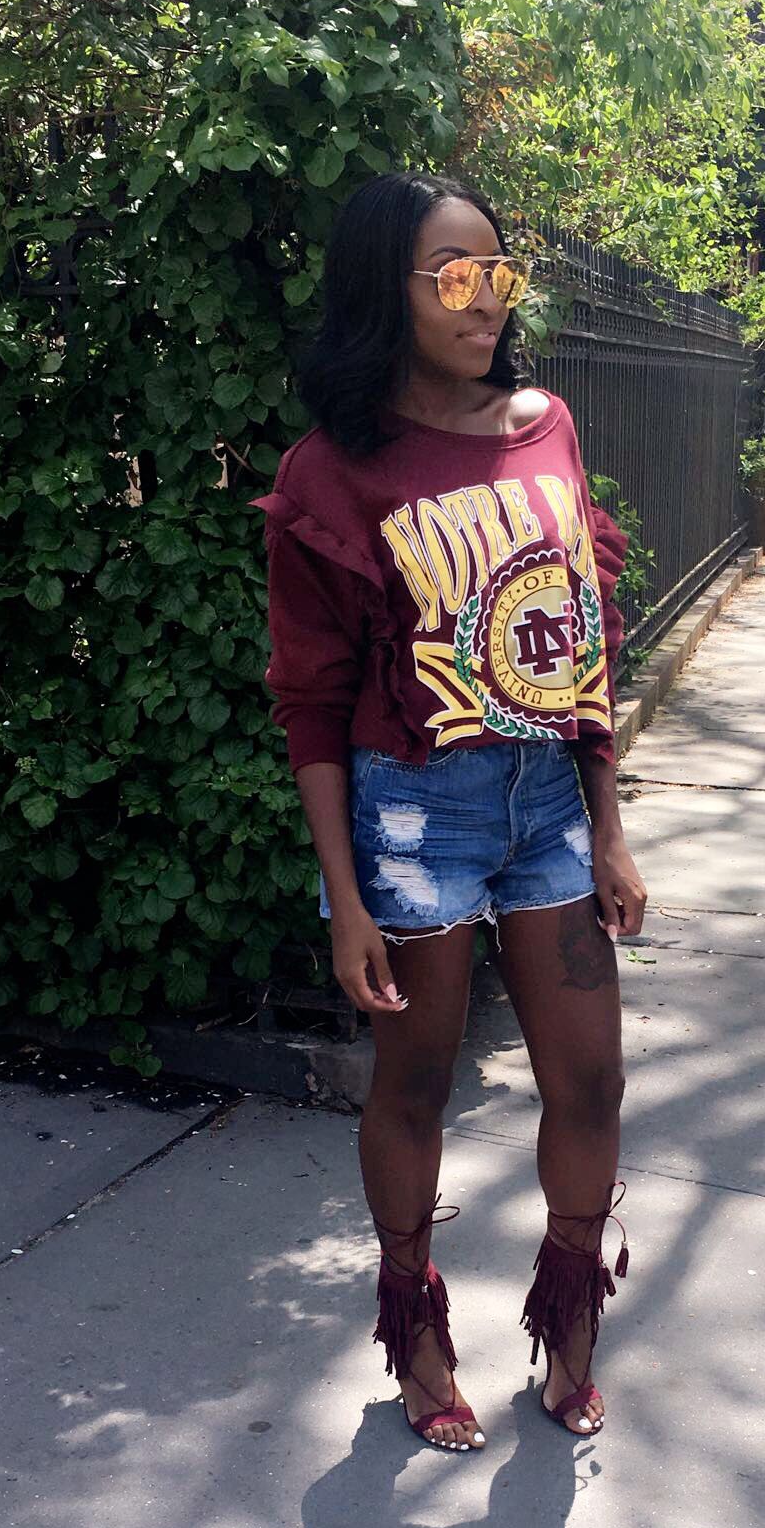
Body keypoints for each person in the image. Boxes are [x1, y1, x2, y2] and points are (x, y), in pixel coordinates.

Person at [256, 172, 647, 1454]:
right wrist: (345, 899)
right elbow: (312, 699)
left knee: (591, 1080)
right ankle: (417, 1335)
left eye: (500, 274)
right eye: (455, 276)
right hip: (415, 817)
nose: (487, 301)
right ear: (391, 291)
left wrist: (608, 821)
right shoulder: (335, 469)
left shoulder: (546, 425)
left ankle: (570, 1326)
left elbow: (584, 630)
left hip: (548, 805)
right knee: (415, 1081)